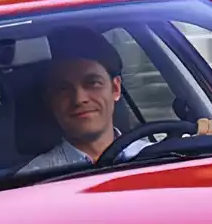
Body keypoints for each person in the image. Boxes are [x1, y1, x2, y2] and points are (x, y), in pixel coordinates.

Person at [19, 28, 129, 176]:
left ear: (115, 88)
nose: (79, 99)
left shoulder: (155, 155)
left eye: (93, 83)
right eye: (63, 88)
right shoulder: (31, 180)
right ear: (50, 100)